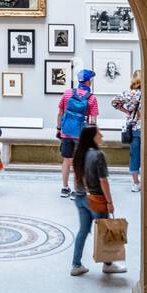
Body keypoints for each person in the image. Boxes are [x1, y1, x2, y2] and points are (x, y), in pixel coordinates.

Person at [70, 124, 126, 275]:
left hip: (80, 197)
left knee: (82, 230)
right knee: (104, 231)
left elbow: (76, 178)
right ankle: (107, 264)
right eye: (99, 134)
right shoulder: (98, 155)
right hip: (96, 199)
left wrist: (79, 192)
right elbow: (103, 181)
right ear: (91, 138)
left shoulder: (78, 153)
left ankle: (76, 265)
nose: (101, 136)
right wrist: (109, 202)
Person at [56, 68, 99, 197]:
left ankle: (64, 188)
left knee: (66, 160)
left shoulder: (68, 93)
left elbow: (60, 113)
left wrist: (59, 129)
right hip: (80, 135)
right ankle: (77, 190)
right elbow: (93, 120)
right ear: (88, 82)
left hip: (66, 132)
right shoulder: (91, 98)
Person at [112, 69, 143, 191]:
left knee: (134, 155)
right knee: (146, 155)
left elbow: (114, 102)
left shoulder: (128, 93)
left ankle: (135, 183)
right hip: (146, 129)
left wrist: (127, 112)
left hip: (133, 128)